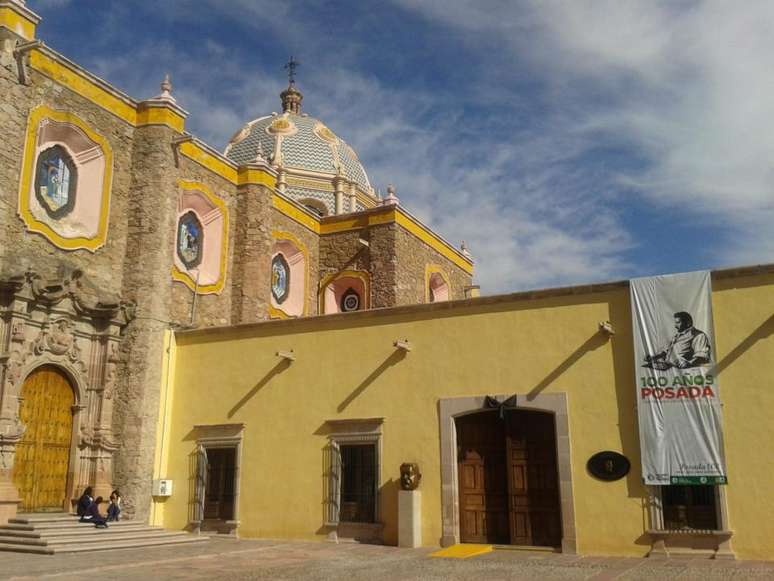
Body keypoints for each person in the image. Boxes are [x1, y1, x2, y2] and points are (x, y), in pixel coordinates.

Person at [644, 311, 711, 369]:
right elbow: (666, 351)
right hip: (668, 367)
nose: (675, 326)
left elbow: (702, 357)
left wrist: (689, 363)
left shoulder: (699, 335)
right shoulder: (678, 336)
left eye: (678, 322)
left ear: (688, 323)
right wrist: (653, 358)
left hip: (685, 372)